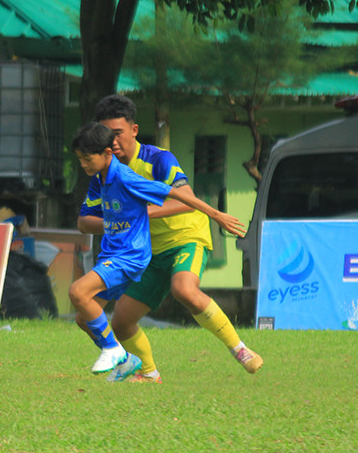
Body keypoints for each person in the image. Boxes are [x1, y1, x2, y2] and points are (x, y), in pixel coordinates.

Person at [90, 94, 263, 383]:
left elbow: (187, 200)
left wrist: (138, 216)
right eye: (107, 136)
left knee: (184, 289)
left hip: (186, 237)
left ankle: (240, 349)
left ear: (134, 130)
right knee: (120, 320)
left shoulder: (158, 159)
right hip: (148, 253)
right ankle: (149, 374)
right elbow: (92, 219)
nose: (113, 142)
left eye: (118, 134)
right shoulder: (104, 173)